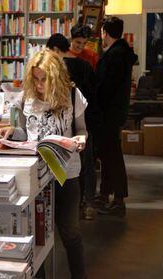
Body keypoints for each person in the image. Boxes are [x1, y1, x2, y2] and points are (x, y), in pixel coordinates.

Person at [0, 49, 88, 279]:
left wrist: (82, 139)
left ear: (55, 77)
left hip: (67, 172)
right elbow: (22, 131)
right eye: (35, 78)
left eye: (44, 79)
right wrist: (11, 131)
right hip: (35, 174)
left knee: (70, 231)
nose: (38, 85)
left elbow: (82, 129)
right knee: (37, 233)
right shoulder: (26, 97)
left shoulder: (72, 95)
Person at [46, 33, 101, 220]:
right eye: (78, 43)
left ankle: (61, 209)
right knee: (85, 164)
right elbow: (94, 95)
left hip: (63, 126)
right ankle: (86, 204)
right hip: (83, 122)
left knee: (61, 166)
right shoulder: (85, 66)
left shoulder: (54, 71)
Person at [95, 17, 138, 216]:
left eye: (102, 32)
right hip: (113, 112)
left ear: (106, 33)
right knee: (108, 154)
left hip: (108, 113)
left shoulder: (115, 56)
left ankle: (118, 199)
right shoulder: (120, 53)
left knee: (112, 156)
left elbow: (106, 86)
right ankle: (105, 194)